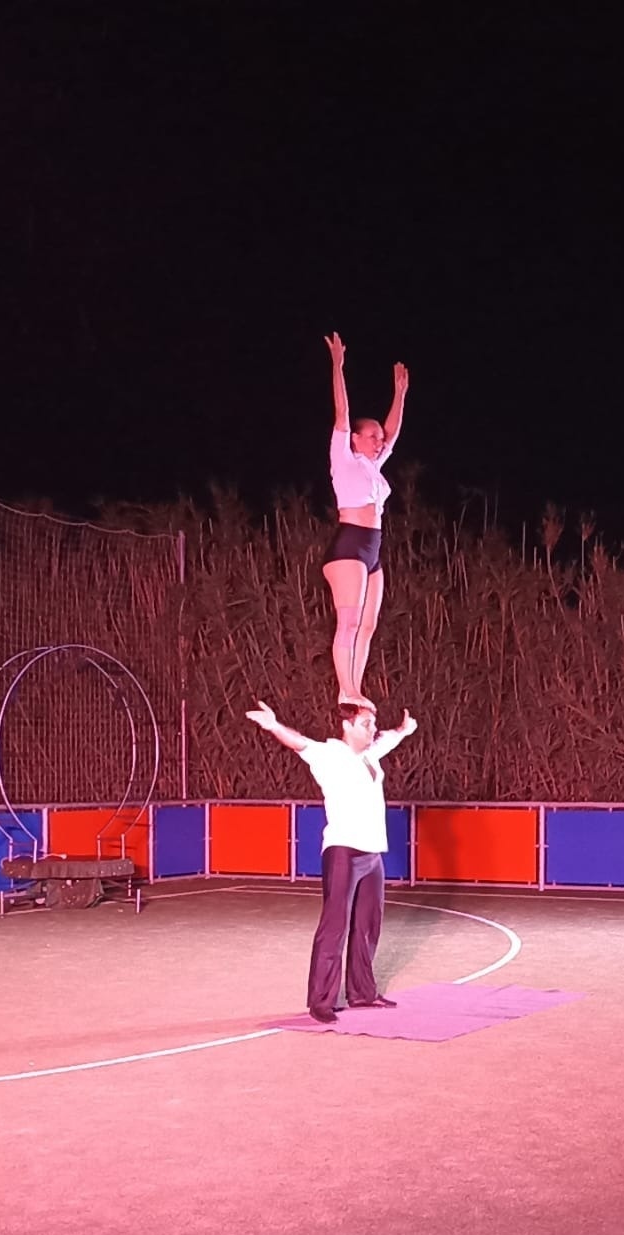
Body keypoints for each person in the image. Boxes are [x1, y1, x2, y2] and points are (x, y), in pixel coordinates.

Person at [246, 697, 419, 1022]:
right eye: (366, 724)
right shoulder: (330, 755)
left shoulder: (370, 755)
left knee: (367, 926)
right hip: (343, 852)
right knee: (334, 926)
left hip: (372, 854)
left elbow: (388, 739)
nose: (372, 729)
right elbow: (300, 743)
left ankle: (362, 993)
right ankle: (321, 1001)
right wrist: (273, 725)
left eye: (373, 723)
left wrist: (403, 729)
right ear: (347, 726)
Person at [322, 332, 409, 708]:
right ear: (354, 439)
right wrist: (337, 366)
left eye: (378, 437)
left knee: (368, 626)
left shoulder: (374, 467)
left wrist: (400, 394)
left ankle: (354, 691)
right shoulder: (344, 458)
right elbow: (341, 413)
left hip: (372, 549)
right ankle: (346, 688)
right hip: (350, 546)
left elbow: (393, 434)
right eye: (371, 436)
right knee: (350, 622)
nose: (378, 441)